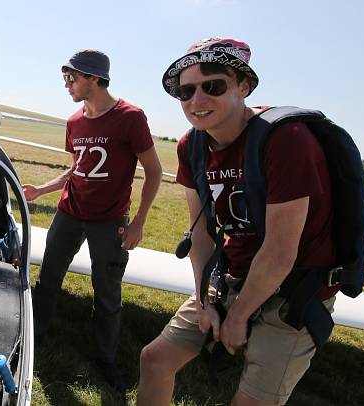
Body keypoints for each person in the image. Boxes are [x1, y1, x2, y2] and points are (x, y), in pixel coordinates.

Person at [137, 38, 338, 406]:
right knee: (154, 360)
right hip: (232, 279)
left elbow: (280, 253)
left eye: (213, 86)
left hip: (295, 291)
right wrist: (204, 301)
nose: (197, 101)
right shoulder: (192, 146)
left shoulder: (287, 140)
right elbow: (200, 234)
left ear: (244, 86)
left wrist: (239, 315)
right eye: (185, 91)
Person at [23, 49, 162, 392]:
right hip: (69, 214)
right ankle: (34, 339)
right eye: (66, 78)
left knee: (107, 293)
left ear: (95, 79)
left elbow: (154, 171)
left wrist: (138, 223)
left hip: (110, 221)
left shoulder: (131, 117)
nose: (67, 84)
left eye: (73, 78)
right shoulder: (74, 122)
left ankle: (106, 360)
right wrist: (42, 190)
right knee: (49, 278)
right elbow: (77, 169)